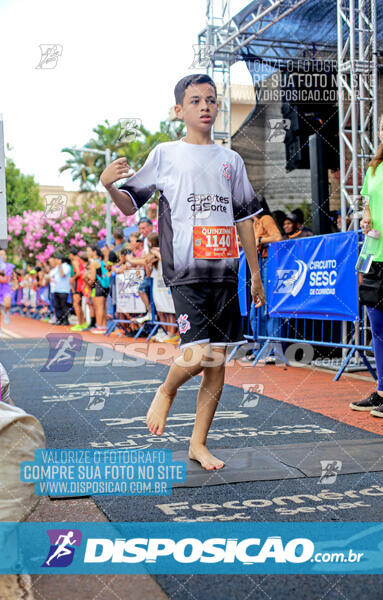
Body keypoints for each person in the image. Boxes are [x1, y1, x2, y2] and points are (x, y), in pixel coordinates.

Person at [100, 72, 265, 470]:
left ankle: (198, 443)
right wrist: (109, 186)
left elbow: (245, 219)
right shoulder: (165, 154)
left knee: (217, 361)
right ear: (179, 110)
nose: (205, 106)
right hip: (185, 270)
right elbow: (129, 204)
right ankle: (167, 390)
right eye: (195, 101)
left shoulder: (231, 160)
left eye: (211, 99)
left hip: (226, 271)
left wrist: (254, 273)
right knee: (196, 354)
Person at [349, 108, 383, 418]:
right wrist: (366, 219)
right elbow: (368, 209)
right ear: (379, 133)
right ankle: (382, 390)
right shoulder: (374, 170)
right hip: (374, 255)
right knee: (377, 327)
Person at [247, 199, 282, 361]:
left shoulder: (265, 219)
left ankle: (273, 351)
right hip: (258, 265)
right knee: (256, 310)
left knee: (267, 307)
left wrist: (260, 241)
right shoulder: (253, 224)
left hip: (268, 263)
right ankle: (259, 348)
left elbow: (277, 237)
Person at [146, 232, 178, 343]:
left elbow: (167, 263)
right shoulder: (151, 254)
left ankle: (172, 333)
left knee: (170, 309)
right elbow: (148, 274)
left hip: (166, 287)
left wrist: (158, 254)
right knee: (161, 310)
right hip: (157, 286)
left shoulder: (165, 251)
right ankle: (166, 332)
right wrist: (148, 262)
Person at [87, 245, 109, 334]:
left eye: (89, 251)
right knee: (103, 307)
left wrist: (88, 282)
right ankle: (103, 326)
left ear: (94, 252)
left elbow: (92, 278)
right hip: (104, 286)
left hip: (97, 286)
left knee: (98, 307)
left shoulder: (93, 263)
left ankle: (99, 326)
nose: (88, 253)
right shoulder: (101, 261)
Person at [69, 248, 86, 331]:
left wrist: (72, 278)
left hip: (78, 284)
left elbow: (78, 273)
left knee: (76, 304)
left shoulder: (75, 261)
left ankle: (80, 323)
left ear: (72, 254)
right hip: (82, 283)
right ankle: (82, 322)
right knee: (78, 304)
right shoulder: (80, 260)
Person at [52, 254, 71, 326]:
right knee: (57, 305)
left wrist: (60, 266)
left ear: (60, 260)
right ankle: (59, 320)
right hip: (56, 289)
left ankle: (66, 320)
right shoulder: (56, 267)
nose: (55, 261)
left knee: (63, 305)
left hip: (64, 289)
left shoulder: (66, 267)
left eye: (56, 260)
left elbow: (62, 274)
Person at [0, 249, 15, 329]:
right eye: (1, 254)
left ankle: (6, 313)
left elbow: (6, 279)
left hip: (6, 288)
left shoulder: (9, 266)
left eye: (4, 254)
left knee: (7, 304)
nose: (3, 256)